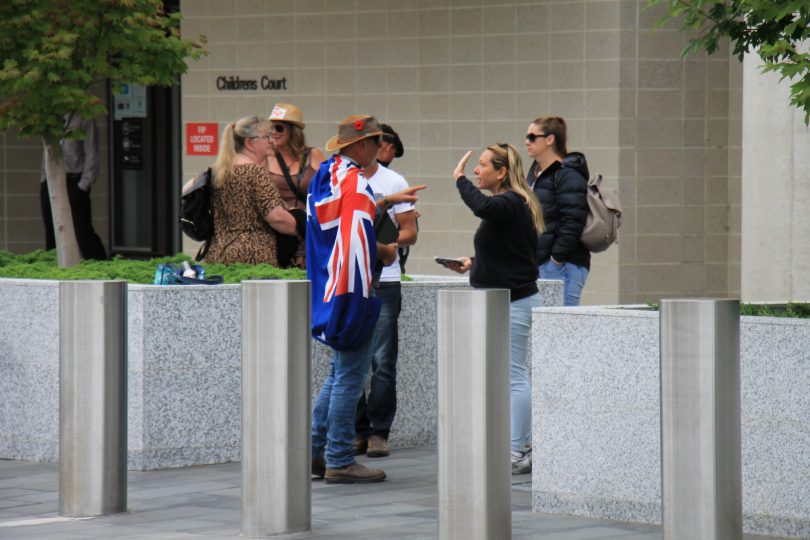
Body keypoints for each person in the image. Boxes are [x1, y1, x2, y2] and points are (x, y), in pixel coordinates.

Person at [308, 114, 423, 484]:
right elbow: (356, 235)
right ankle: (340, 458)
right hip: (353, 286)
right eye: (375, 141)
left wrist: (386, 200)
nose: (380, 147)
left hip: (329, 284)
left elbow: (340, 219)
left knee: (338, 374)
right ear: (360, 145)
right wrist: (386, 252)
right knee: (350, 377)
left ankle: (313, 452)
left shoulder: (328, 174)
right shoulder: (356, 180)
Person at [440, 143, 544, 475]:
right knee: (505, 375)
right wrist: (474, 263)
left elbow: (482, 207)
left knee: (514, 375)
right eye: (475, 167)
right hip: (501, 298)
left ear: (501, 172)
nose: (476, 170)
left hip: (514, 301)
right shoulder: (511, 205)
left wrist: (458, 179)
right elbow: (508, 250)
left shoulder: (511, 201)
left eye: (483, 165)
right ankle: (516, 444)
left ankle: (519, 448)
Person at [353, 125, 419, 459]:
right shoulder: (341, 178)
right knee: (351, 356)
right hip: (349, 279)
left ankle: (379, 431)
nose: (359, 151)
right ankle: (357, 429)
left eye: (366, 145)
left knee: (381, 359)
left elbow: (410, 231)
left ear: (379, 147)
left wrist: (388, 246)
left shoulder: (394, 181)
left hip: (384, 280)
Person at [203, 116, 297, 265]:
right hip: (253, 256)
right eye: (267, 137)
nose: (271, 141)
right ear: (250, 143)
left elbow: (187, 190)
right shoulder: (255, 172)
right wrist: (304, 228)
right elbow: (276, 217)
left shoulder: (218, 171)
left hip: (217, 253)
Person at [525, 116, 590, 306]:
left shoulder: (567, 174)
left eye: (532, 137)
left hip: (562, 265)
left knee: (564, 328)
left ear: (550, 139)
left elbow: (574, 221)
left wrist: (555, 260)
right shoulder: (536, 174)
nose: (526, 142)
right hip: (541, 263)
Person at [263, 103, 324, 268]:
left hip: (310, 232)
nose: (273, 133)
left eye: (279, 128)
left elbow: (329, 192)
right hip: (280, 233)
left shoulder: (313, 155)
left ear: (293, 131)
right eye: (271, 128)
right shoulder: (266, 158)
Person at [40, 114, 107, 260]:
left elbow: (92, 154)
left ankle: (101, 267)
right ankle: (53, 271)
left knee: (81, 230)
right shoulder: (49, 113)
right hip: (51, 179)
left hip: (74, 180)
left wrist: (83, 186)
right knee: (52, 230)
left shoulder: (84, 116)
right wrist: (44, 179)